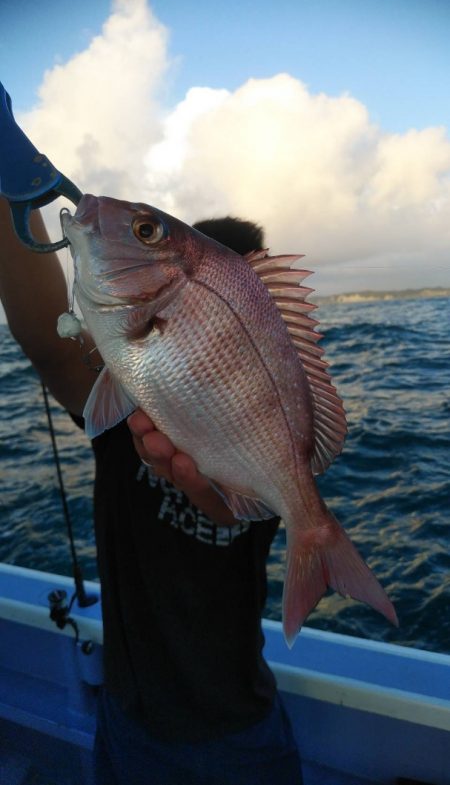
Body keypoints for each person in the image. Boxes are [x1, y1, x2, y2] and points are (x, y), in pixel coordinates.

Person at [0, 196, 303, 785]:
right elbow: (44, 338)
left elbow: (252, 507)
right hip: (125, 720)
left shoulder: (271, 434)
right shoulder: (119, 409)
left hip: (241, 732)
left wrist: (236, 503)